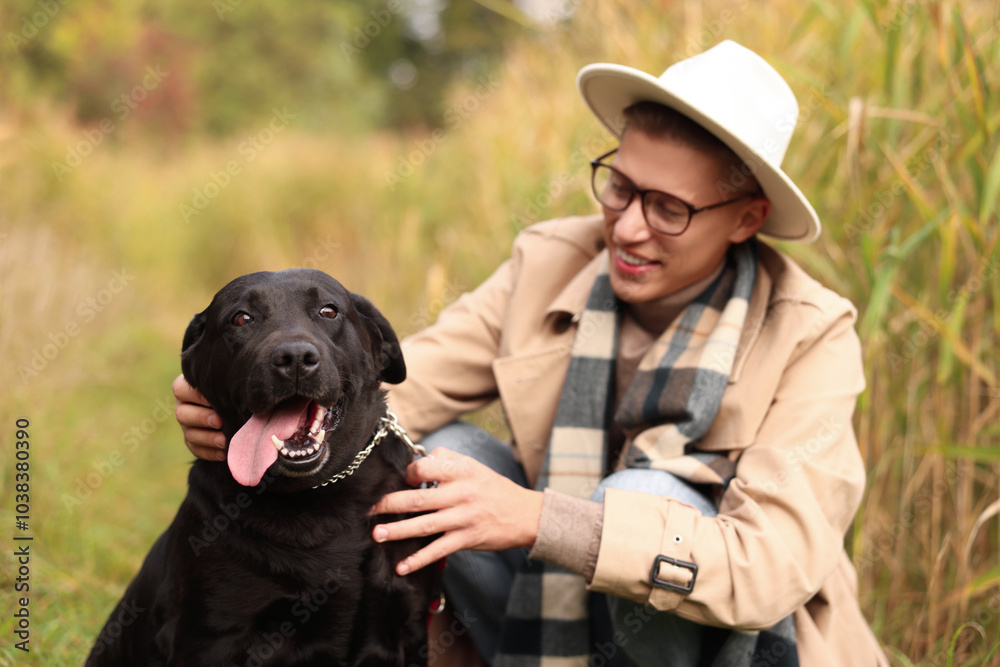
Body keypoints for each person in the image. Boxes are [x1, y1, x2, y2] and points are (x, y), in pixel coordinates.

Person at [174, 41, 889, 666]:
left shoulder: (812, 334)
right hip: (548, 598)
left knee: (641, 498)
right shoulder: (551, 258)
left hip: (718, 640)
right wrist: (266, 413)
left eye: (669, 207)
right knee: (431, 460)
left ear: (747, 218)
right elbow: (394, 392)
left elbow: (771, 565)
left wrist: (543, 518)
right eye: (620, 187)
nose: (629, 229)